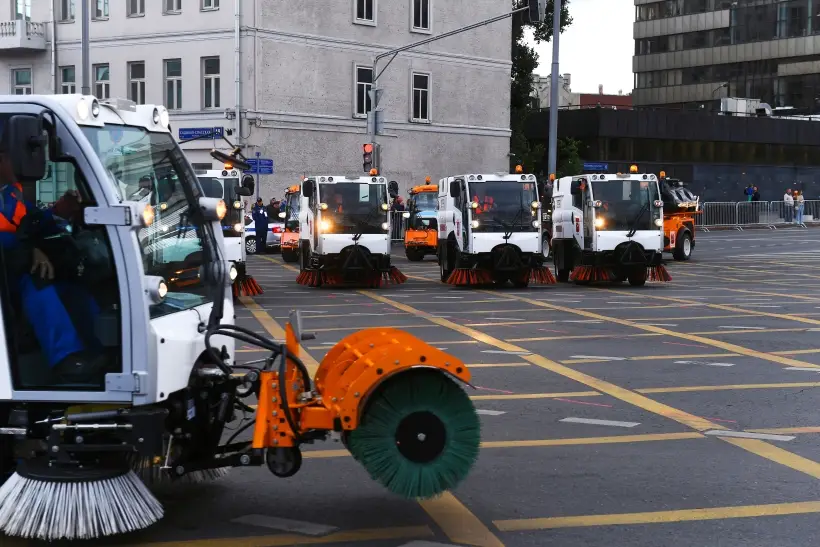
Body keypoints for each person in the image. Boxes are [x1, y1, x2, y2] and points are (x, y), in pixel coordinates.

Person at [0, 136, 102, 383]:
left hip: (11, 266)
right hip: (9, 272)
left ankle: (95, 350)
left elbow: (29, 220)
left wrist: (60, 212)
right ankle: (65, 359)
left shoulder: (10, 194)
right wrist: (29, 250)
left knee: (74, 287)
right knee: (37, 280)